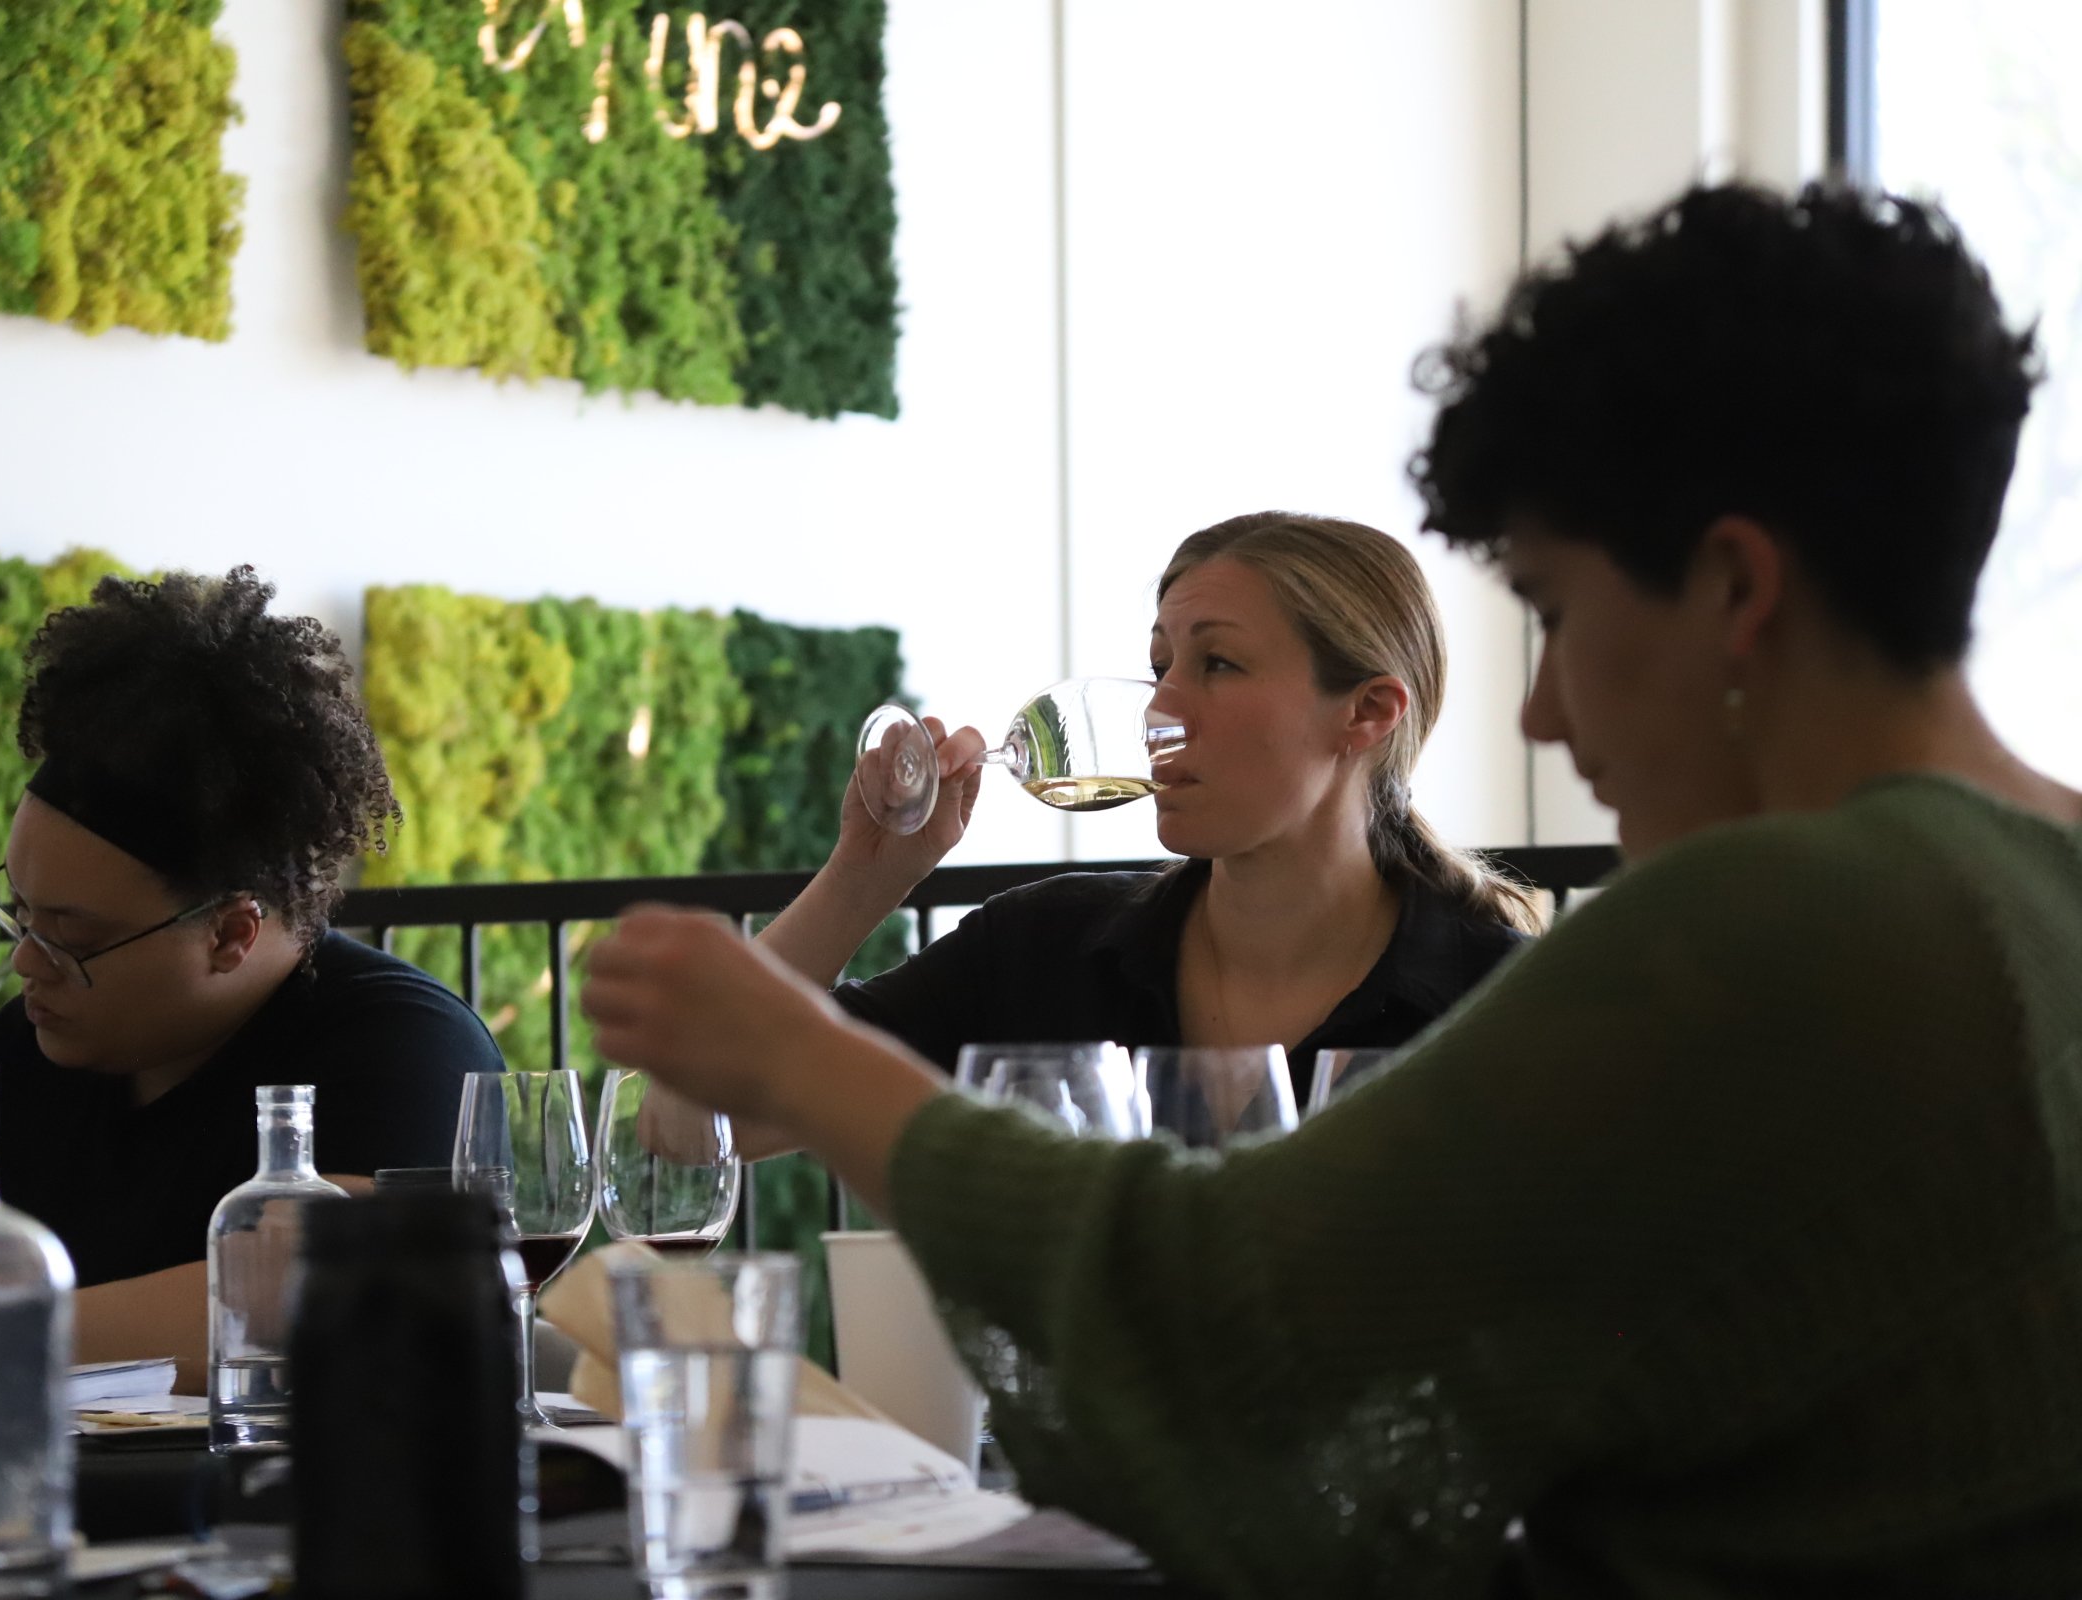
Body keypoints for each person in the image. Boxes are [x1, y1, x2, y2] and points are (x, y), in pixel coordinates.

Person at [582, 182, 2082, 1597]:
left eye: (1557, 616)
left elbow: (1227, 1316)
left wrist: (802, 1057)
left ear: (1739, 590)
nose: (1544, 716)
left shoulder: (1775, 926)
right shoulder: (2034, 884)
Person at [0, 568, 500, 1388]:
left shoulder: (403, 1049)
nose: (24, 961)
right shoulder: (32, 1051)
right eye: (21, 914)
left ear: (229, 931)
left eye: (73, 936)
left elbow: (325, 1290)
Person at [756, 512, 1541, 1114]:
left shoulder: (1503, 1005)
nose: (1157, 712)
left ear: (1367, 713)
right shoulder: (1044, 949)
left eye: (1219, 665)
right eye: (1160, 666)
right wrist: (862, 880)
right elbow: (692, 1128)